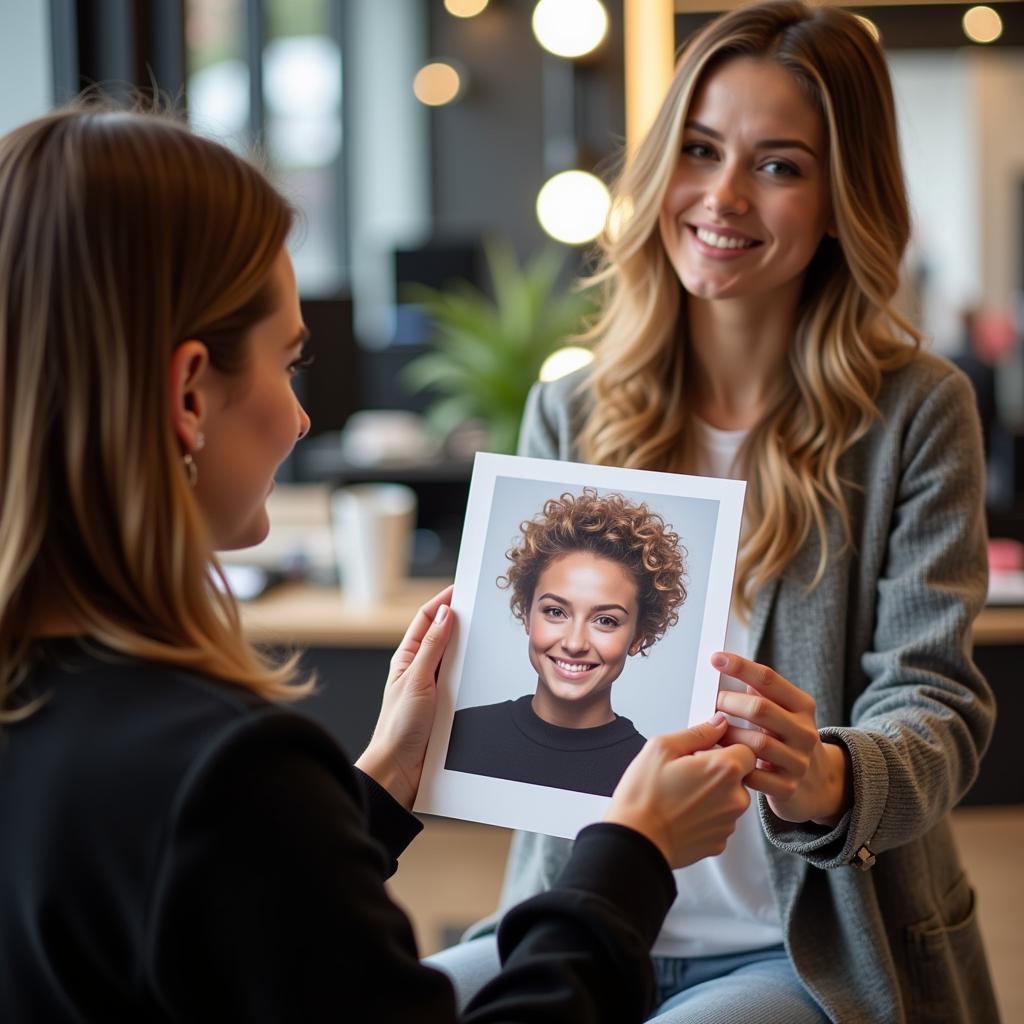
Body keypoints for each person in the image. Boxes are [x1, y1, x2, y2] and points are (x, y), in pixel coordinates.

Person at [0, 103, 758, 1022]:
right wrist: (630, 852)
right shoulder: (228, 774)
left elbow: (227, 929)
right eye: (289, 364)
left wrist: (376, 790)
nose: (301, 417)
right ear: (190, 394)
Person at [426, 3, 1001, 1022]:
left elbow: (937, 711)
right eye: (699, 149)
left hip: (799, 944)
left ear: (838, 200)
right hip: (589, 917)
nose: (724, 196)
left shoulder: (914, 410)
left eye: (778, 165)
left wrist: (828, 773)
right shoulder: (571, 405)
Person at [445, 488, 687, 796]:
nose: (574, 643)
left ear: (638, 636)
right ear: (526, 614)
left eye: (605, 621)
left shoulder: (653, 776)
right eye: (555, 612)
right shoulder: (458, 735)